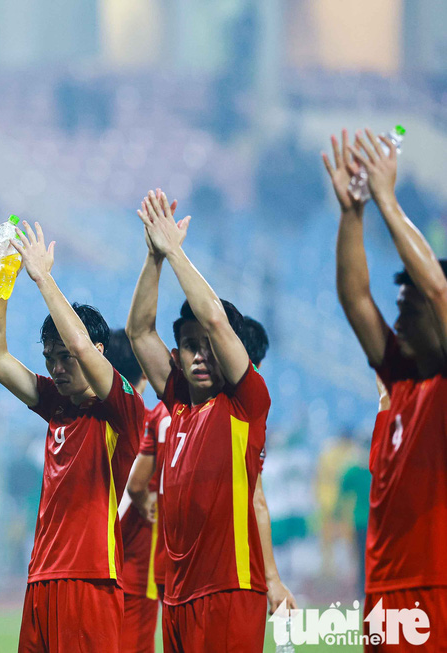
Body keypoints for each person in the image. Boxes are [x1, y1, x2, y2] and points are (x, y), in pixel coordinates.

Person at [126, 190, 295, 651]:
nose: (200, 355)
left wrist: (176, 252)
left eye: (208, 344)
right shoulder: (177, 401)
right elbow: (140, 331)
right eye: (188, 345)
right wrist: (153, 256)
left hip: (229, 590)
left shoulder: (246, 402)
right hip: (177, 594)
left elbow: (218, 321)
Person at [0, 221, 145, 652]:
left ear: (98, 353)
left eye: (64, 357)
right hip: (40, 579)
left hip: (90, 580)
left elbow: (85, 349)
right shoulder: (55, 404)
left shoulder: (121, 411)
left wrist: (43, 277)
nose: (56, 368)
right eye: (50, 358)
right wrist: (5, 276)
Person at [324, 127, 447, 650]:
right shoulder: (400, 382)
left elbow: (438, 288)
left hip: (432, 591)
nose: (397, 310)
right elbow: (355, 299)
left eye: (408, 303)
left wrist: (387, 200)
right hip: (383, 593)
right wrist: (353, 213)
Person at [110, 329, 169, 653]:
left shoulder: (93, 420)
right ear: (145, 370)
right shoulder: (154, 425)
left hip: (98, 564)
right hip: (137, 567)